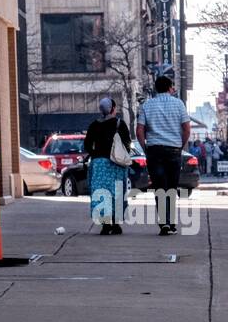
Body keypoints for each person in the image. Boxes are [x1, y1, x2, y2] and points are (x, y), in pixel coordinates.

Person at [135, 75, 191, 236]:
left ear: (156, 88)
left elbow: (139, 130)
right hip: (173, 150)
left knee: (159, 187)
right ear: (169, 88)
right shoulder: (179, 104)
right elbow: (187, 129)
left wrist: (146, 148)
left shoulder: (147, 105)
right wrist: (180, 146)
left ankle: (164, 223)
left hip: (154, 151)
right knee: (172, 188)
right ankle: (171, 223)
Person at [82, 96, 132, 235]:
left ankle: (105, 224)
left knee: (101, 193)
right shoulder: (119, 124)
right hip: (116, 164)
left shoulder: (94, 125)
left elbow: (87, 144)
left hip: (98, 164)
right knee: (117, 192)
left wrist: (95, 153)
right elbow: (127, 143)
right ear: (113, 109)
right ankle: (116, 224)